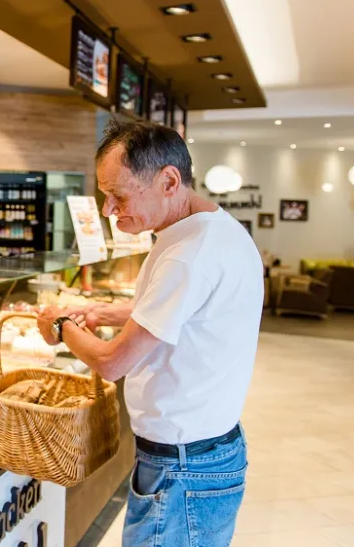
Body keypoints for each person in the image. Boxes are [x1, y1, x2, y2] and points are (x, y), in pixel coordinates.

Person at [37, 120, 263, 547]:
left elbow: (111, 361)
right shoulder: (212, 229)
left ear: (168, 180)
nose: (108, 210)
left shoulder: (188, 254)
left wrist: (62, 325)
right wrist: (99, 311)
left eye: (117, 195)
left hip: (183, 469)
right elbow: (183, 311)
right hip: (206, 453)